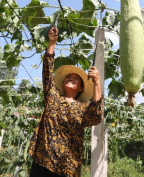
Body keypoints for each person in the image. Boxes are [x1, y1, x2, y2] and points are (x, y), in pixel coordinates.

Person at [28, 26, 104, 177]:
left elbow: (96, 114)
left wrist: (97, 82)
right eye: (68, 77)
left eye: (76, 79)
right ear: (62, 84)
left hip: (67, 168)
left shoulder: (83, 109)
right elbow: (47, 71)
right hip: (43, 161)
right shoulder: (52, 97)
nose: (71, 78)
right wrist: (52, 43)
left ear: (81, 88)